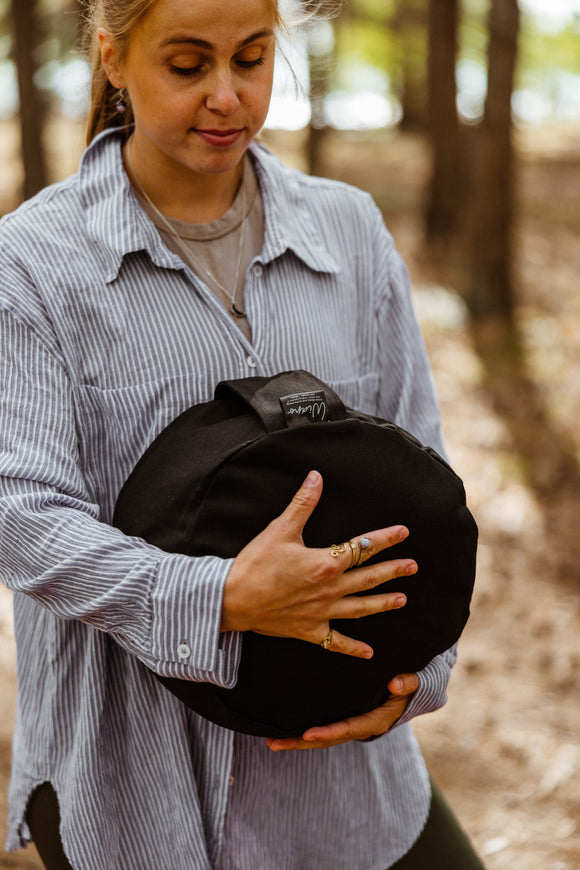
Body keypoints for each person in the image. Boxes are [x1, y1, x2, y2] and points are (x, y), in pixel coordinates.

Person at [0, 0, 485, 868]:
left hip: (350, 785)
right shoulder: (32, 264)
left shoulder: (350, 231)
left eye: (253, 59)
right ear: (113, 58)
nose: (227, 97)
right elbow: (21, 511)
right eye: (187, 66)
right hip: (137, 797)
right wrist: (219, 597)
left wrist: (416, 675)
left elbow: (421, 469)